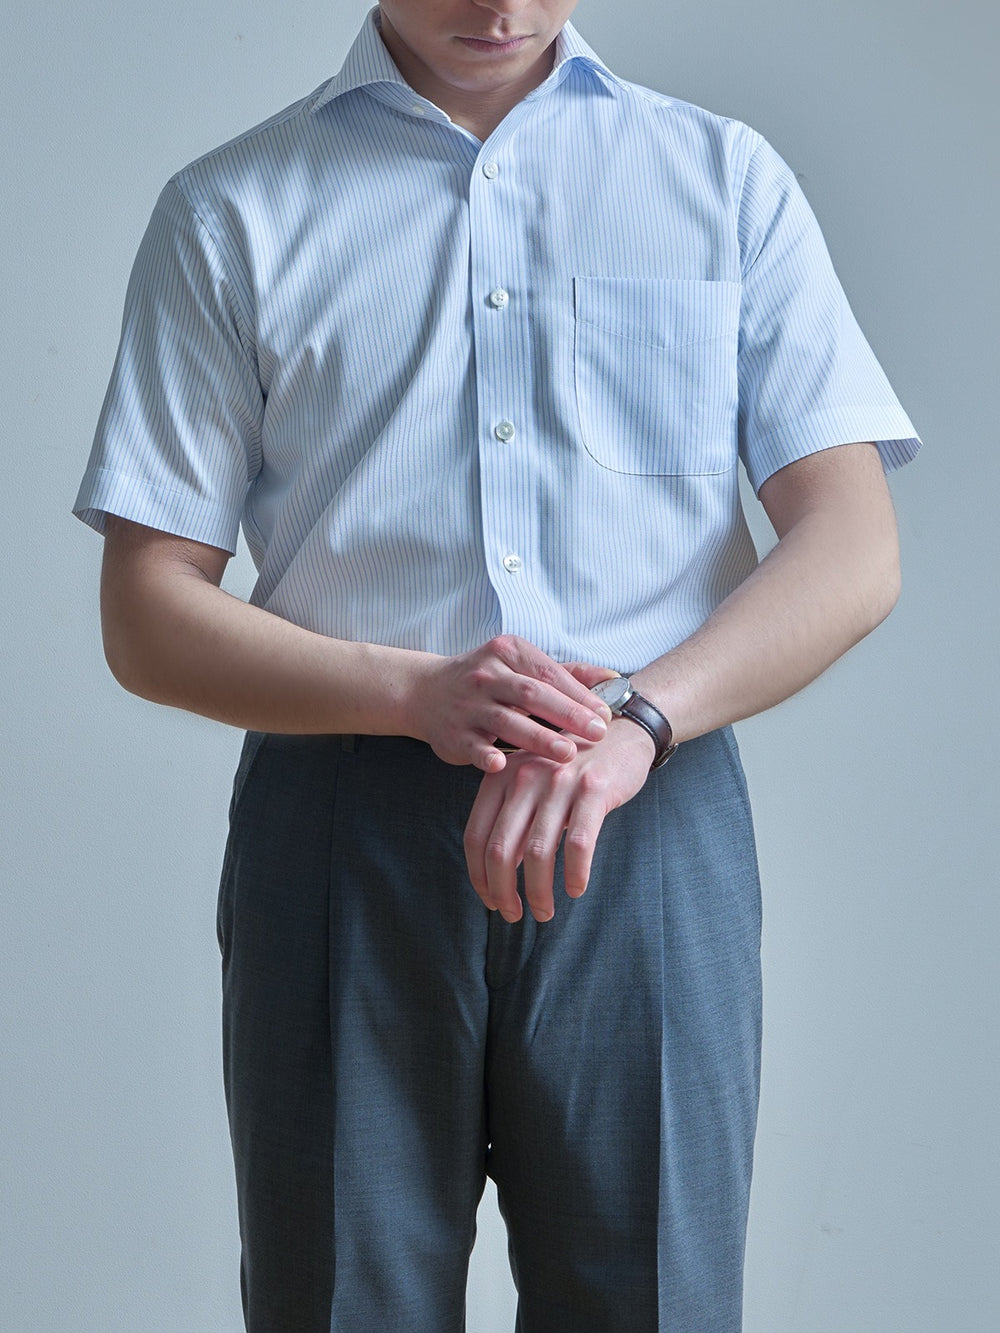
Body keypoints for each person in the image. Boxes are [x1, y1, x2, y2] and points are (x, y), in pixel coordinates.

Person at [74, 2, 920, 1328]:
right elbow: (147, 611)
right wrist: (412, 692)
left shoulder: (723, 180)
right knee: (337, 1301)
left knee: (654, 1303)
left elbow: (854, 545)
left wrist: (639, 723)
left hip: (647, 818)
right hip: (345, 827)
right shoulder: (232, 210)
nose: (498, 7)